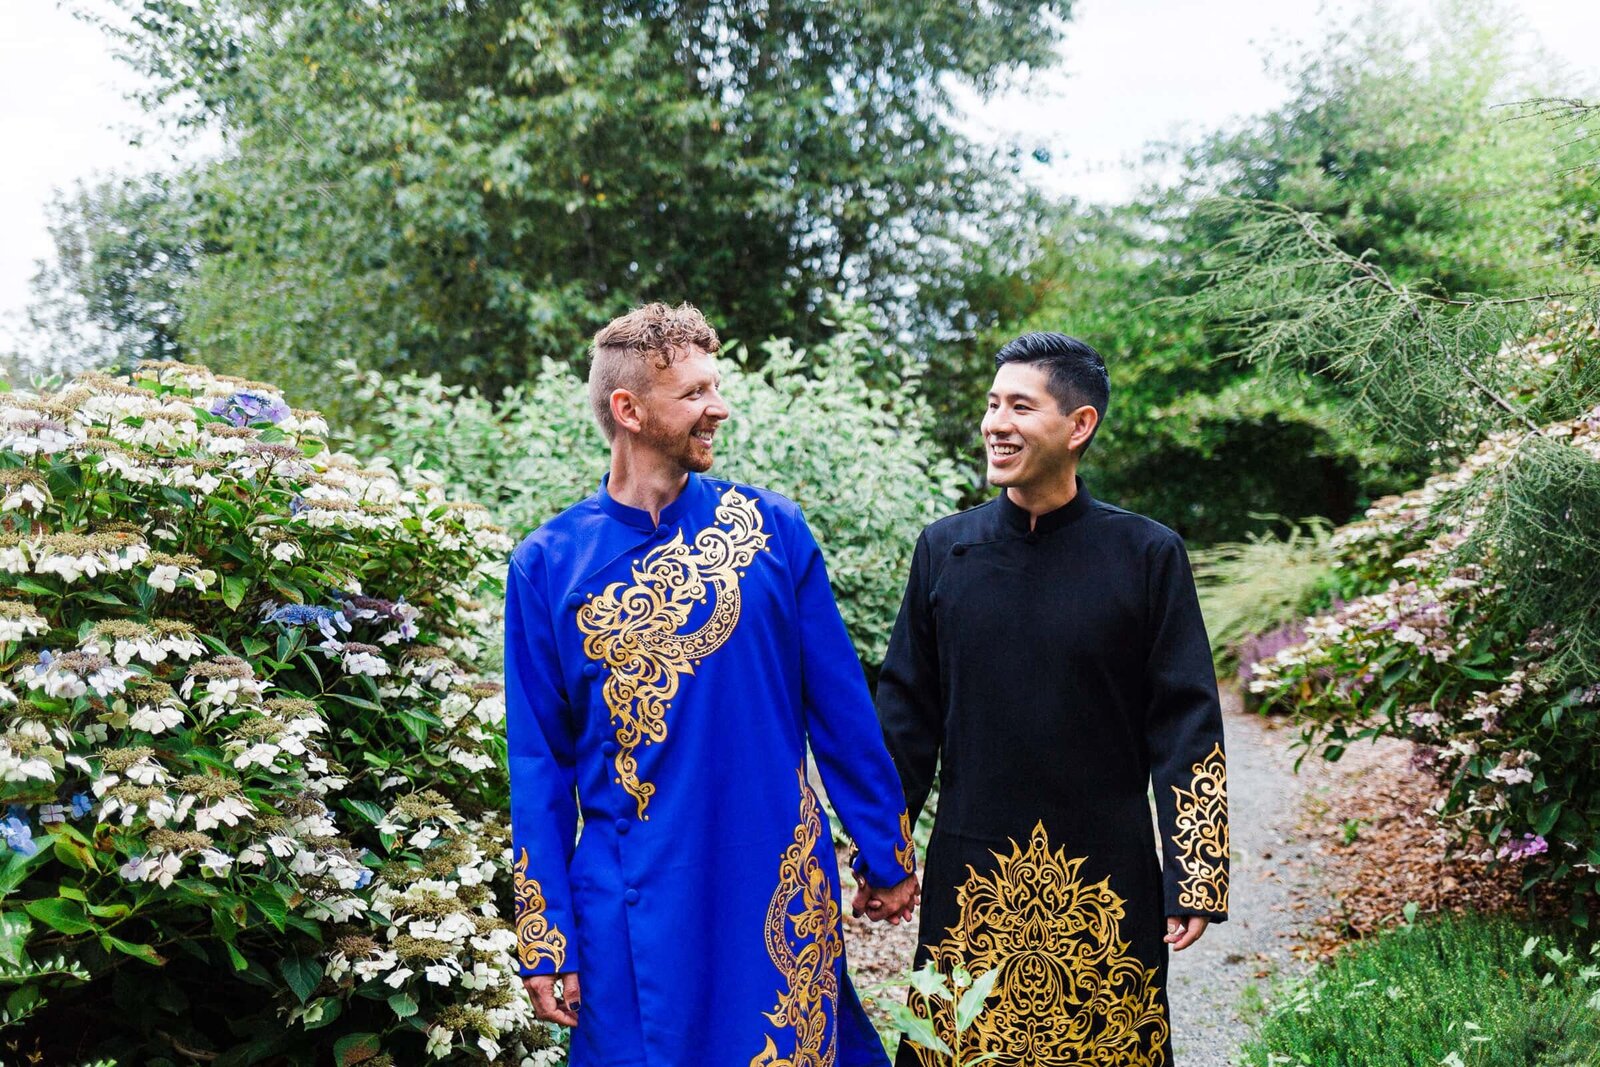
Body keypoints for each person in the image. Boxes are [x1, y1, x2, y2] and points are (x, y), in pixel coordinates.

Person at [505, 302, 919, 1066]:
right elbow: (538, 767)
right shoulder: (547, 565)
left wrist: (884, 850)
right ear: (629, 409)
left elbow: (840, 710)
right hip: (629, 906)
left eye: (715, 387)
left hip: (774, 889)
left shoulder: (772, 530)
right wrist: (545, 937)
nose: (717, 407)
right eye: (694, 393)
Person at [864, 332, 1229, 1065]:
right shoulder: (946, 550)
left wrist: (1196, 872)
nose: (997, 423)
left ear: (1079, 424)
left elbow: (1185, 721)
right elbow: (906, 717)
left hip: (1106, 878)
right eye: (993, 404)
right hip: (973, 875)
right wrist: (884, 854)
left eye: (1020, 406)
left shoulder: (1148, 555)